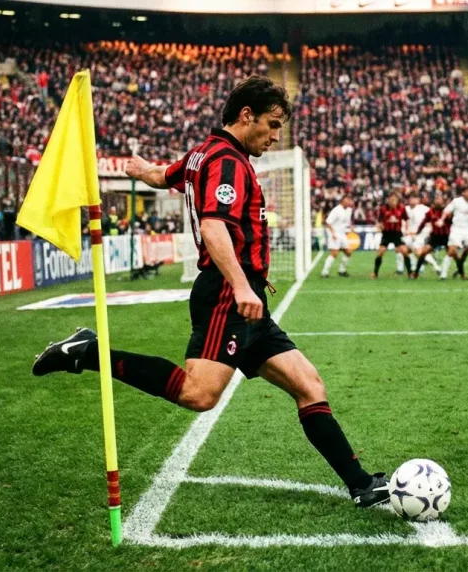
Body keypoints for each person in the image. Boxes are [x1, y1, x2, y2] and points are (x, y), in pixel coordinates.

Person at [32, 76, 390, 508]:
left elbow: (165, 176)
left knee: (309, 384)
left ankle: (360, 484)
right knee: (199, 394)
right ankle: (87, 352)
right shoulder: (226, 161)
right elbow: (213, 226)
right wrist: (241, 284)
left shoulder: (205, 153)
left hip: (246, 297)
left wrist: (140, 170)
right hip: (226, 294)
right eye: (272, 124)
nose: (276, 136)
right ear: (246, 116)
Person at [412, 193, 451, 279]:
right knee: (423, 252)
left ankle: (461, 273)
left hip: (446, 236)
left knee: (454, 254)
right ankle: (416, 273)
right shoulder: (431, 211)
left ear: (443, 201)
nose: (437, 200)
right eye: (436, 199)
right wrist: (418, 231)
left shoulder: (447, 211)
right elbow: (424, 222)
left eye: (439, 198)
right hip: (435, 237)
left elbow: (453, 222)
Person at [373, 193, 412, 279]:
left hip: (397, 234)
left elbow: (407, 219)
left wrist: (407, 229)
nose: (393, 202)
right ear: (389, 200)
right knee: (380, 252)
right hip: (386, 233)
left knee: (405, 251)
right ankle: (375, 273)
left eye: (395, 200)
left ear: (397, 201)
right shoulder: (383, 208)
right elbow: (379, 220)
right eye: (392, 200)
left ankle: (410, 273)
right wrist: (379, 226)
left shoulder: (402, 208)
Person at [405, 193, 440, 276]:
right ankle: (419, 265)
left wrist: (429, 231)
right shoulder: (409, 209)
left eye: (415, 198)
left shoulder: (426, 209)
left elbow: (430, 222)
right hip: (413, 234)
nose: (412, 200)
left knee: (418, 251)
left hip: (421, 234)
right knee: (406, 249)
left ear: (418, 200)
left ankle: (435, 266)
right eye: (411, 198)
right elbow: (409, 222)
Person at [321, 195, 354, 278]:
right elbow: (328, 222)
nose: (348, 202)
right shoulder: (336, 210)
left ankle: (342, 270)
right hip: (334, 233)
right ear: (342, 201)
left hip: (342, 234)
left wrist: (351, 226)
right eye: (346, 201)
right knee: (334, 253)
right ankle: (325, 272)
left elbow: (347, 221)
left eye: (348, 200)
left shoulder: (349, 210)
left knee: (348, 251)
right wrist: (333, 234)